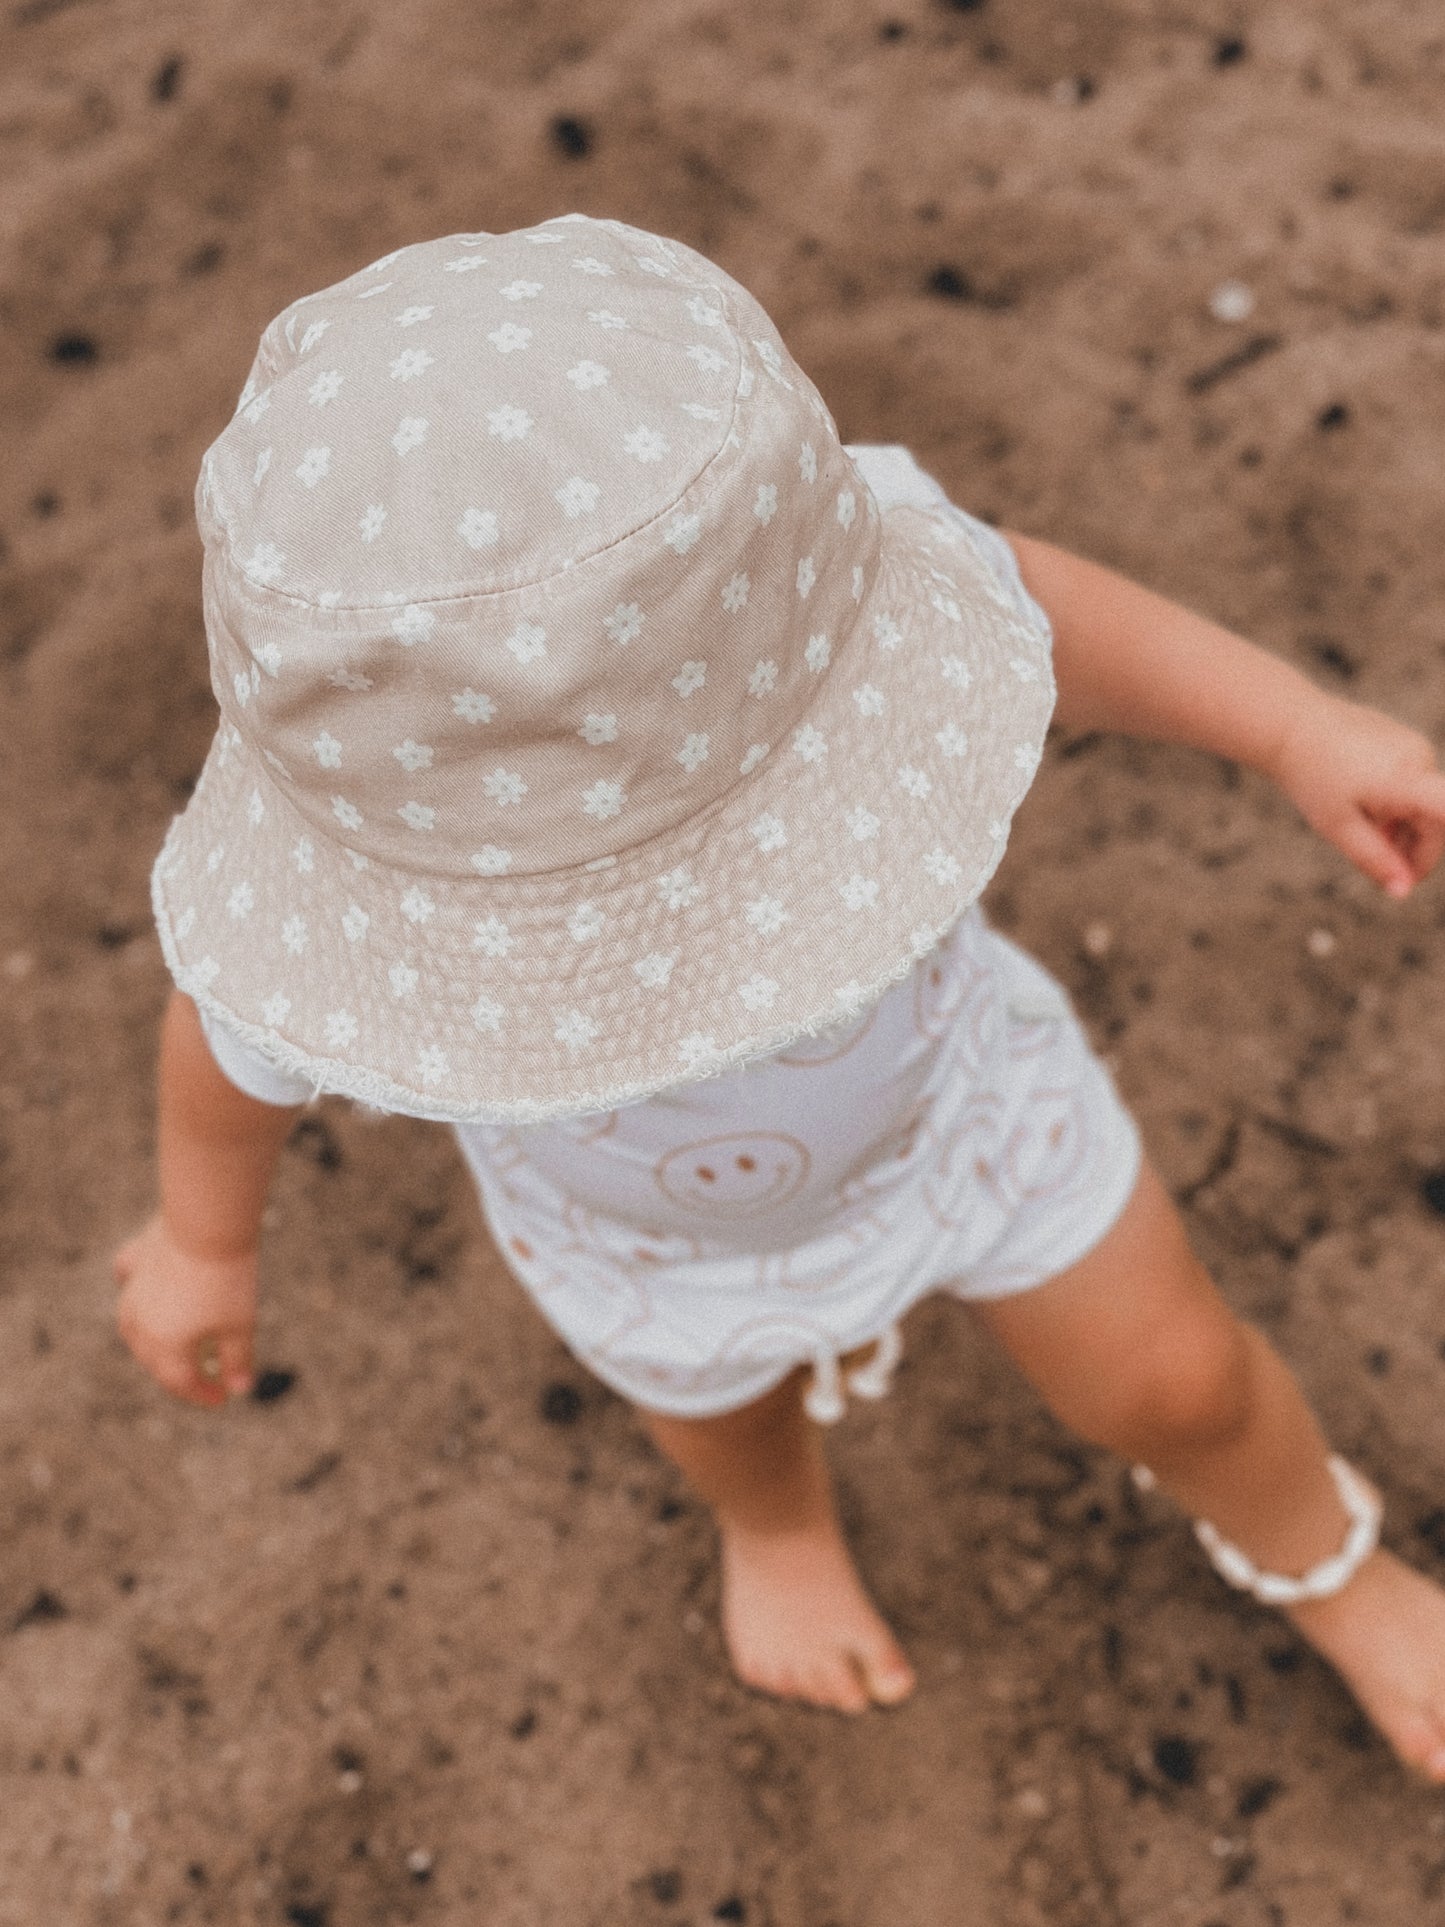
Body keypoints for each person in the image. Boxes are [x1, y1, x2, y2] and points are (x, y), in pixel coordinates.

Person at [114, 214, 1445, 1775]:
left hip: (965, 1101)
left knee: (1183, 1381)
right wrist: (204, 1242)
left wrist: (1290, 728)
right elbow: (222, 1045)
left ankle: (1333, 1572)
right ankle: (779, 1527)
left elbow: (1040, 616)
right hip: (642, 1242)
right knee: (724, 1422)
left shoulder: (812, 588)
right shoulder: (331, 913)